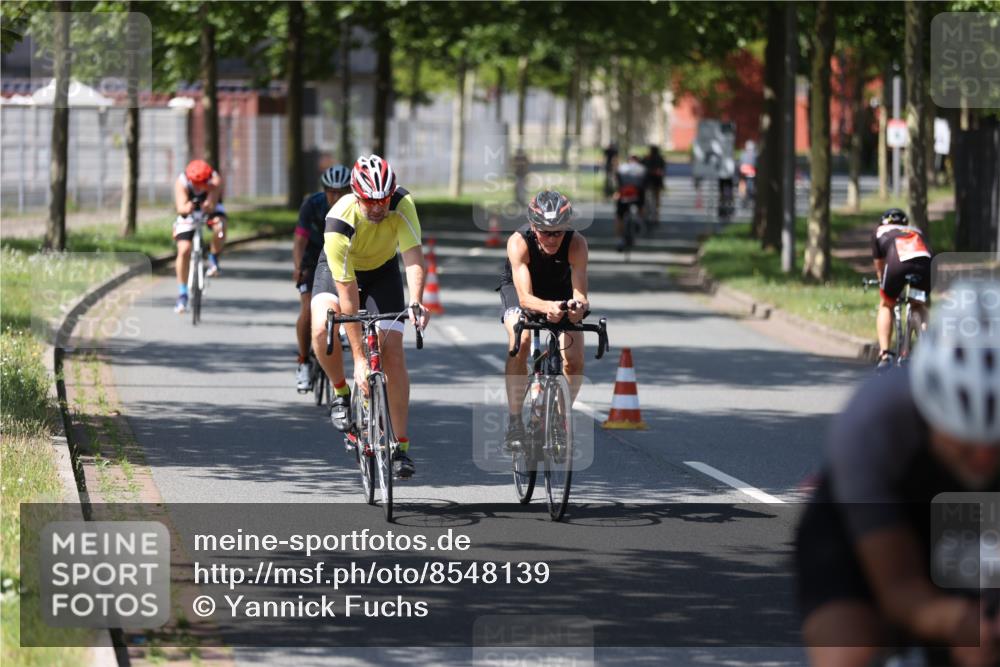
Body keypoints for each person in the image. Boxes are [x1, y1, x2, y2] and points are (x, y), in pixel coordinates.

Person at [795, 280, 1000, 667]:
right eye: (964, 442)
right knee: (849, 651)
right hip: (863, 524)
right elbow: (898, 588)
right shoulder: (872, 422)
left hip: (972, 521)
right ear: (931, 413)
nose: (983, 460)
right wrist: (958, 621)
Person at [310, 155, 429, 479]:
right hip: (339, 273)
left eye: (383, 200)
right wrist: (360, 360)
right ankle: (340, 392)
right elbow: (348, 296)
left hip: (383, 271)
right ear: (356, 195)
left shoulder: (402, 203)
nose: (378, 208)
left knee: (393, 353)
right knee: (323, 328)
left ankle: (400, 447)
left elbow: (413, 257)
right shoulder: (339, 220)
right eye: (370, 202)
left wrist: (417, 301)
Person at [498, 190, 590, 451]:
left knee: (574, 360)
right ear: (534, 226)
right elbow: (526, 298)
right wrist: (547, 307)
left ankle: (561, 420)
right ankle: (515, 422)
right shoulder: (519, 242)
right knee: (521, 339)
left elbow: (581, 294)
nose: (552, 238)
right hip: (519, 292)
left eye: (558, 232)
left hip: (559, 291)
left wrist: (577, 308)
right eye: (545, 232)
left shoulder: (577, 244)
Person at [293, 165, 352, 392]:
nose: (336, 196)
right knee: (308, 311)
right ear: (324, 190)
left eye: (342, 191)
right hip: (312, 259)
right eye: (331, 191)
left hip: (342, 259)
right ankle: (303, 362)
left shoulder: (354, 207)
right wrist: (298, 267)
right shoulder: (312, 205)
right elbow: (299, 240)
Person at [871, 208, 932, 370]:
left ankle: (885, 354)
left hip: (897, 262)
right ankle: (927, 348)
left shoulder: (880, 231)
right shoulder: (916, 230)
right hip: (925, 263)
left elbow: (880, 265)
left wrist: (881, 282)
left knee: (886, 304)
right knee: (918, 305)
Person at [172, 159, 226, 313]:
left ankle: (213, 258)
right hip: (189, 213)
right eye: (195, 182)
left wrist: (208, 208)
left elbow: (212, 204)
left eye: (201, 183)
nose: (197, 186)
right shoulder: (182, 181)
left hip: (210, 210)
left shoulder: (215, 180)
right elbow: (180, 207)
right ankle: (182, 294)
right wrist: (186, 208)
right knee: (184, 250)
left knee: (220, 227)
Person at [613, 155, 647, 251]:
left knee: (619, 216)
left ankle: (619, 239)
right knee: (641, 206)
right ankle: (639, 220)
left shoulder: (622, 168)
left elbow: (618, 181)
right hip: (638, 196)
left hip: (623, 195)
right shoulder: (642, 169)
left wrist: (618, 192)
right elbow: (645, 184)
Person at [642, 144, 666, 224]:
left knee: (647, 199)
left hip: (648, 182)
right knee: (657, 201)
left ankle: (647, 215)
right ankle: (656, 218)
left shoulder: (646, 158)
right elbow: (663, 170)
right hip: (657, 182)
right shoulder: (660, 158)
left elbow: (642, 168)